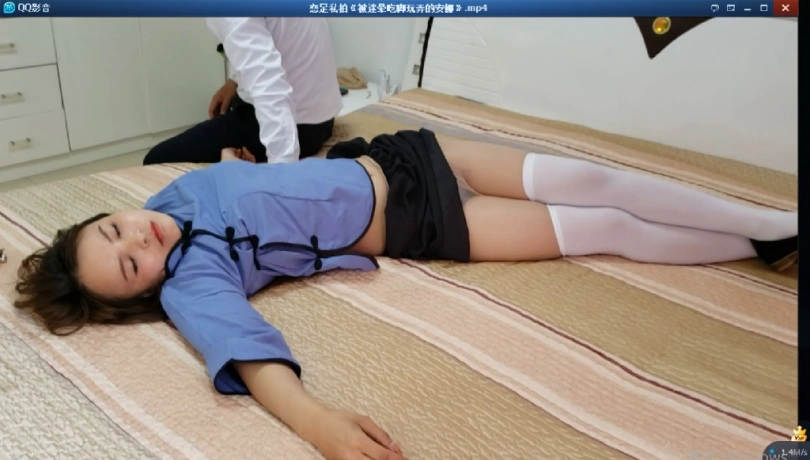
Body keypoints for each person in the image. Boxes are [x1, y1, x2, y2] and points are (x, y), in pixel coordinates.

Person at [14, 130, 797, 460]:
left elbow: (240, 188)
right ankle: (762, 244)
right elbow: (244, 349)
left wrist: (235, 164)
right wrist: (317, 423)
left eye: (115, 229)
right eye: (130, 266)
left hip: (404, 157)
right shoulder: (193, 285)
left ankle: (775, 224)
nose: (140, 240)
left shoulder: (172, 197)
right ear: (146, 293)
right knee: (605, 228)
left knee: (594, 180)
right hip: (420, 224)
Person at [142, 18, 342, 166]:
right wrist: (235, 81)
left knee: (156, 159)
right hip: (324, 118)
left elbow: (270, 87)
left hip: (298, 128)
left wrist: (282, 171)